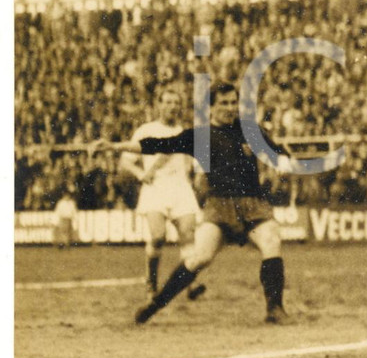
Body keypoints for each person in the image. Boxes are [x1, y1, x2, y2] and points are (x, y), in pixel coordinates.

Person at [89, 83, 291, 325]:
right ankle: (156, 303)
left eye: (232, 102)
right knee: (199, 258)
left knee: (271, 241)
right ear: (211, 107)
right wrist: (114, 146)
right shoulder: (199, 136)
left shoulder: (249, 129)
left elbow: (279, 150)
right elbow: (155, 144)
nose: (230, 108)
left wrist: (283, 163)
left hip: (252, 206)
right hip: (219, 208)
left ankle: (275, 309)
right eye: (223, 103)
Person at [119, 87, 204, 299]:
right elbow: (125, 160)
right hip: (156, 188)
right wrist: (140, 174)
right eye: (167, 102)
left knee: (188, 235)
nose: (172, 107)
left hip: (180, 187)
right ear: (159, 105)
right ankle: (151, 284)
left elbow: (196, 163)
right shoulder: (146, 130)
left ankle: (191, 285)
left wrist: (195, 173)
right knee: (157, 237)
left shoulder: (185, 133)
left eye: (176, 103)